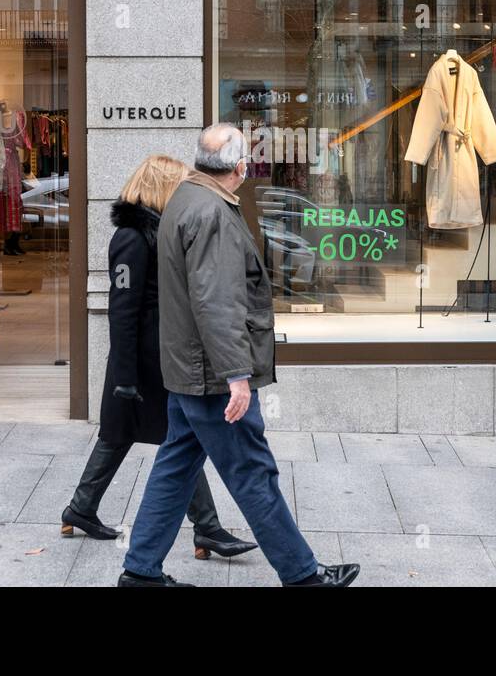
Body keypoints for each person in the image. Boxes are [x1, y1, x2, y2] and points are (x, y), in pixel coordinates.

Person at [118, 124, 360, 587]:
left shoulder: (186, 199)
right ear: (241, 167)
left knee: (176, 464)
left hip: (189, 368)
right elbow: (217, 302)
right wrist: (236, 375)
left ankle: (140, 572)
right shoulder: (211, 212)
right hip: (210, 373)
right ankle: (303, 575)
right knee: (252, 470)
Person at [62, 154, 258, 560]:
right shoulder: (132, 238)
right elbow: (122, 309)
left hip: (155, 356)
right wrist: (125, 375)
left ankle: (81, 508)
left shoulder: (155, 233)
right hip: (145, 362)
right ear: (162, 187)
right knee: (178, 438)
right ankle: (207, 529)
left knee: (128, 437)